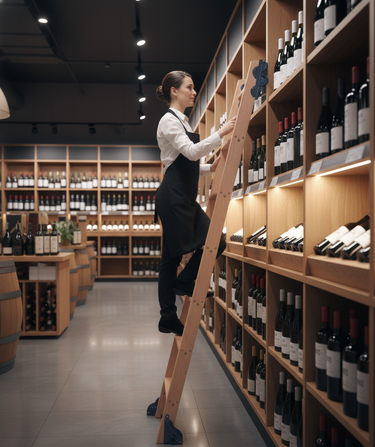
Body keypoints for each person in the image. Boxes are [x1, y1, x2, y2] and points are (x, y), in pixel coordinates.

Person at [155, 70, 236, 336]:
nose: (193, 92)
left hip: (181, 195)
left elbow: (179, 161)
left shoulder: (184, 122)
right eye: (189, 87)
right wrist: (221, 133)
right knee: (212, 242)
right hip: (174, 195)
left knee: (173, 256)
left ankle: (169, 313)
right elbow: (188, 153)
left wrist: (207, 169)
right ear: (173, 91)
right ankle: (182, 286)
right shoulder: (168, 121)